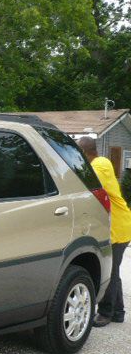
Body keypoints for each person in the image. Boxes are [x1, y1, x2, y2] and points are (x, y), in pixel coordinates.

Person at [77, 136, 131, 326]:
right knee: (114, 270)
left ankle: (106, 313)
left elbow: (83, 180)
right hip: (117, 224)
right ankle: (118, 313)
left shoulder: (100, 164)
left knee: (109, 270)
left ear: (84, 152)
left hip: (117, 226)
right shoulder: (100, 163)